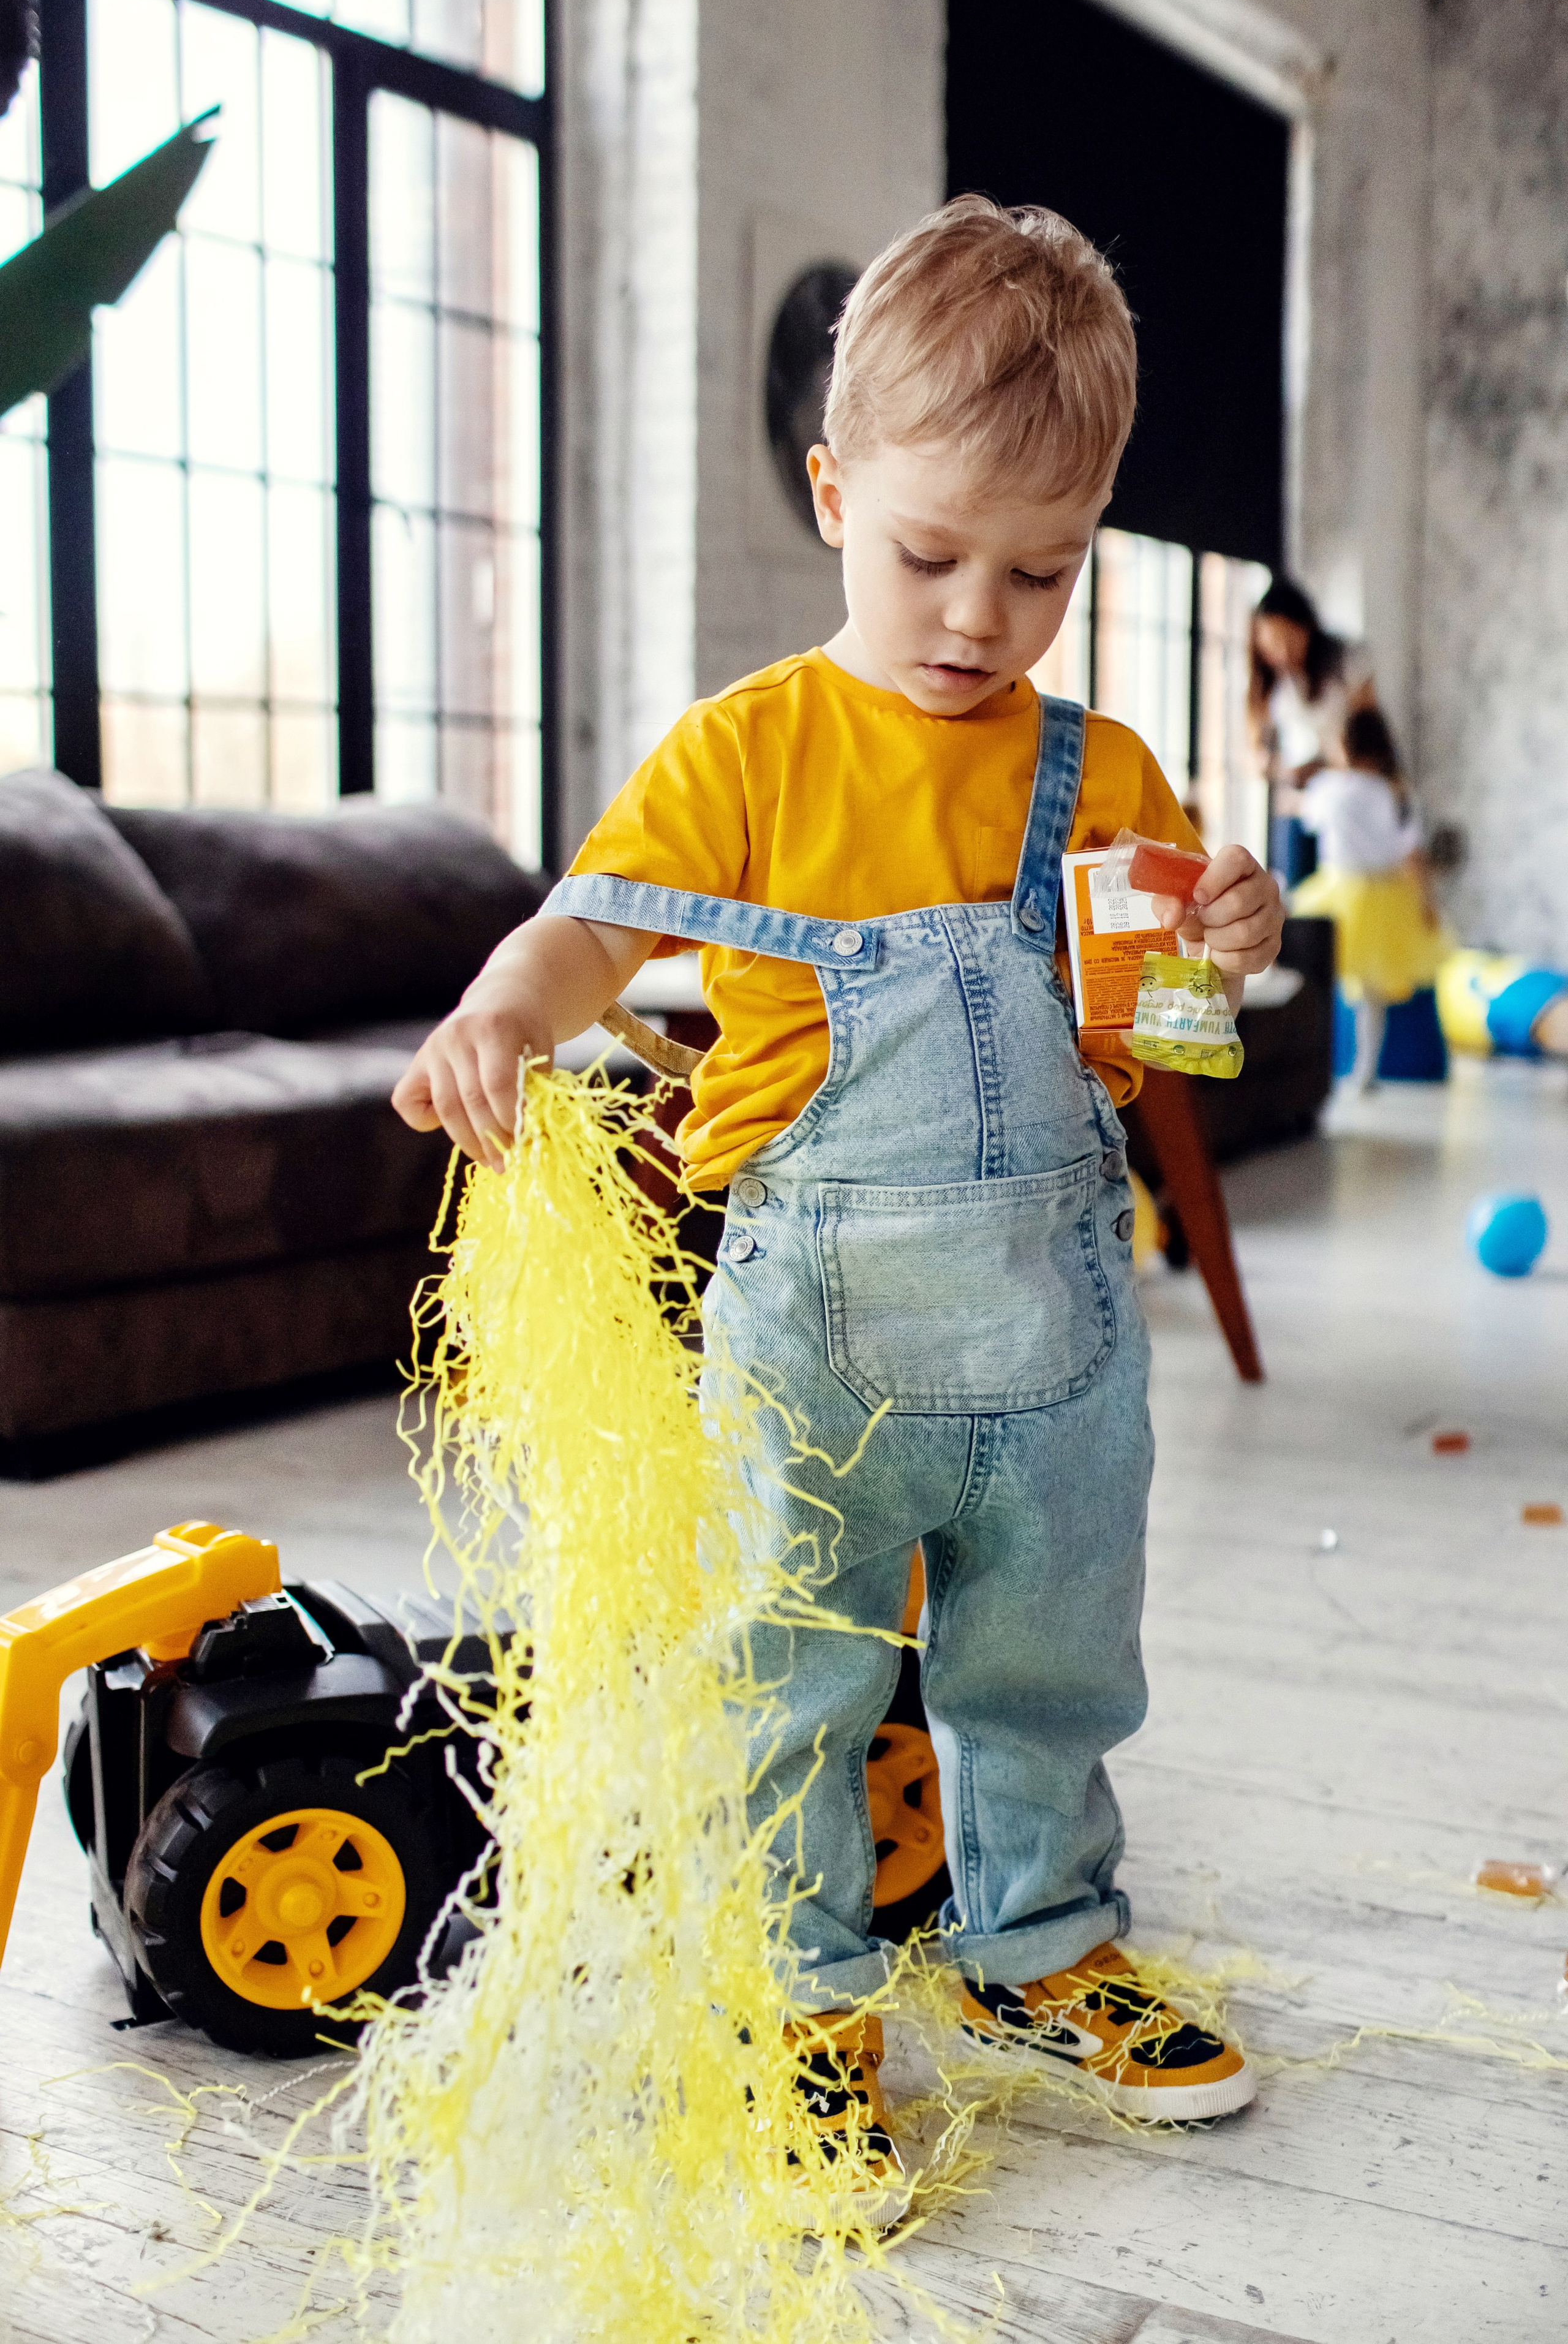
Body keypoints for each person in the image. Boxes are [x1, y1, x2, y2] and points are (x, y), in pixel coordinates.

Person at [393, 197, 1284, 2222]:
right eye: (927, 553)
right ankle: (801, 2007)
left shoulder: (1106, 772)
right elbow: (585, 934)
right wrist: (490, 1020)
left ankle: (1045, 1943)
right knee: (784, 1671)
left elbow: (1185, 1043)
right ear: (833, 492)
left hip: (1057, 1351)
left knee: (1052, 1658)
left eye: (1041, 569)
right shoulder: (753, 755)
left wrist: (1231, 929)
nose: (979, 615)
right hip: (814, 1338)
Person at [1291, 706, 1449, 1091]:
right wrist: (1428, 905)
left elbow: (1303, 815)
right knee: (1372, 994)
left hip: (1338, 892)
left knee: (1319, 981)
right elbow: (1412, 856)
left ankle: (1321, 1065)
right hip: (1385, 897)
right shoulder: (1393, 793)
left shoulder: (1328, 788)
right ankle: (1365, 1071)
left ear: (1345, 746)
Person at [1247, 577, 1375, 886]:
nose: (1282, 654)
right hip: (1298, 805)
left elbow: (1368, 743)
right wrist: (1280, 769)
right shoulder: (1273, 686)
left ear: (1306, 628)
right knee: (1298, 901)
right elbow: (1256, 757)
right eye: (1271, 648)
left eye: (1288, 641)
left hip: (1344, 797)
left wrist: (1323, 766)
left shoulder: (1347, 663)